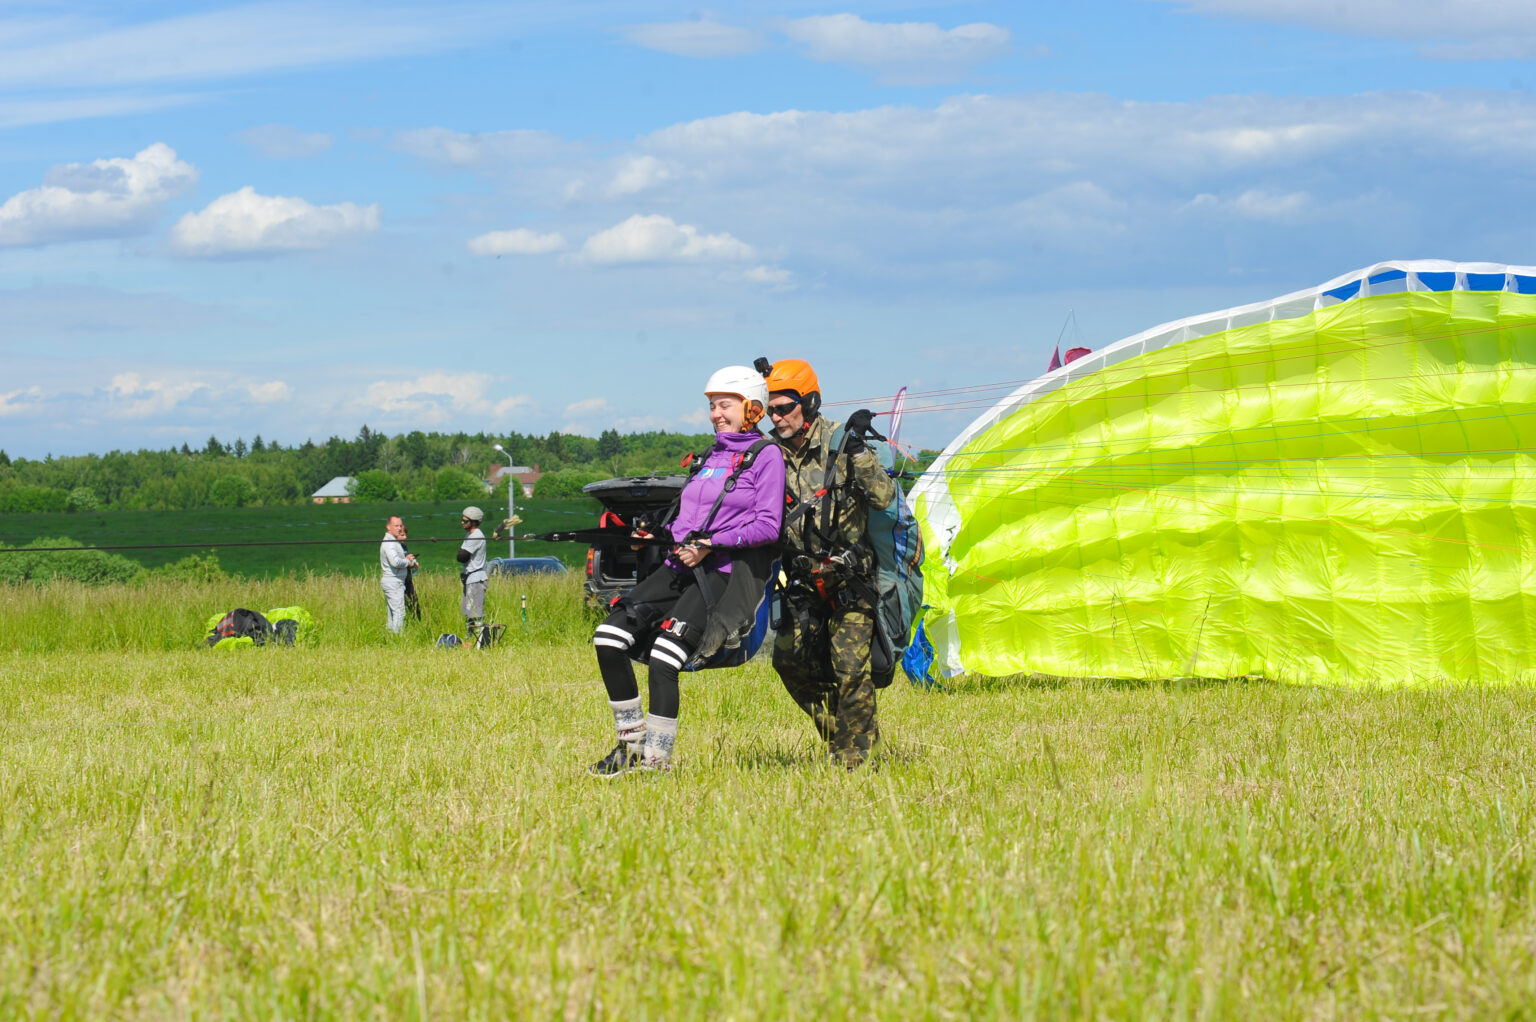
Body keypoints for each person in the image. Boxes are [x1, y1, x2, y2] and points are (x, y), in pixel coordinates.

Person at [588, 366, 785, 777]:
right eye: (712, 406)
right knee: (608, 637)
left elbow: (769, 526)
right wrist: (655, 528)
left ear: (752, 409)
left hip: (722, 573)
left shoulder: (765, 456)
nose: (715, 413)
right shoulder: (711, 456)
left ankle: (656, 761)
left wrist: (710, 544)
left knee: (665, 656)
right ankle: (630, 744)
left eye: (725, 405)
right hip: (679, 564)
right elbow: (686, 516)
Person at [763, 357, 895, 770]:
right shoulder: (769, 454)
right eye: (771, 409)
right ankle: (850, 736)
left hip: (849, 578)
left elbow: (884, 497)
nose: (777, 417)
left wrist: (859, 453)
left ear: (810, 403)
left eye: (785, 408)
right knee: (790, 662)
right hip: (803, 581)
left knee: (850, 667)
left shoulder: (842, 443)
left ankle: (854, 760)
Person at [380, 514, 418, 634]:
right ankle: (397, 638)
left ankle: (391, 636)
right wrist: (408, 562)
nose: (399, 528)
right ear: (388, 527)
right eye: (396, 525)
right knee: (399, 612)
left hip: (395, 581)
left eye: (401, 525)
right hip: (393, 581)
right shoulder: (390, 543)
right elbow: (395, 562)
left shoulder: (394, 541)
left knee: (392, 613)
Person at [456, 506, 489, 645]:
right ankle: (469, 641)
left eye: (465, 520)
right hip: (470, 578)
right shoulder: (470, 534)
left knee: (475, 613)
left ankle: (480, 642)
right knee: (469, 613)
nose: (462, 523)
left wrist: (460, 552)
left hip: (476, 578)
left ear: (473, 521)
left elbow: (462, 556)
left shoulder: (476, 535)